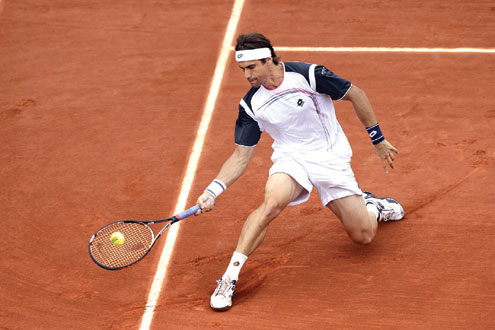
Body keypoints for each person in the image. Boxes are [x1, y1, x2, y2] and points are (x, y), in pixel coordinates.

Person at [195, 32, 405, 312]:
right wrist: (212, 191)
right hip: (291, 158)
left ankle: (373, 207)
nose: (246, 75)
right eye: (242, 69)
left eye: (251, 67)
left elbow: (356, 94)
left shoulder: (309, 75)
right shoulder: (251, 104)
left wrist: (377, 140)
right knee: (271, 204)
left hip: (331, 158)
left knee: (363, 236)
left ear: (268, 59)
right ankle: (229, 277)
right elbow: (241, 155)